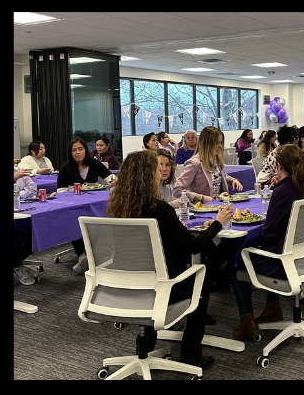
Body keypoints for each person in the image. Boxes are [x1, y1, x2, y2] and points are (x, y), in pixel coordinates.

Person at [106, 150, 234, 369]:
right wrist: (218, 223)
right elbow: (194, 245)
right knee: (202, 275)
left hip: (126, 287)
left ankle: (148, 344)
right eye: (157, 169)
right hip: (164, 287)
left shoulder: (119, 208)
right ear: (148, 175)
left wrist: (174, 231)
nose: (160, 173)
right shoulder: (160, 209)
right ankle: (191, 354)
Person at [230, 144, 304, 341]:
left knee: (236, 259)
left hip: (286, 263)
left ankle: (247, 321)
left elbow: (269, 234)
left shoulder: (284, 191)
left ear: (278, 165)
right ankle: (273, 308)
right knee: (261, 248)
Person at [57, 137, 117, 274]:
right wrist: (74, 190)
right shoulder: (65, 168)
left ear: (86, 150)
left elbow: (111, 178)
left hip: (91, 204)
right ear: (70, 153)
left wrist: (113, 181)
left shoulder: (95, 164)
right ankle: (83, 255)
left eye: (80, 149)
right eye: (74, 150)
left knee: (97, 221)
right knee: (75, 222)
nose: (77, 152)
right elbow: (60, 192)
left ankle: (87, 256)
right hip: (73, 205)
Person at [173, 126, 243, 203]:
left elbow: (218, 176)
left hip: (219, 205)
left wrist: (232, 180)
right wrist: (200, 197)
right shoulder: (194, 163)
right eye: (217, 143)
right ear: (207, 144)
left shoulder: (215, 160)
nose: (220, 146)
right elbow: (178, 189)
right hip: (203, 208)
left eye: (221, 143)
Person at [13, 166, 38, 285]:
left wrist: (17, 194)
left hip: (21, 209)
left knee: (36, 233)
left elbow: (33, 189)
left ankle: (16, 263)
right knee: (16, 234)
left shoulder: (18, 169)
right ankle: (17, 265)